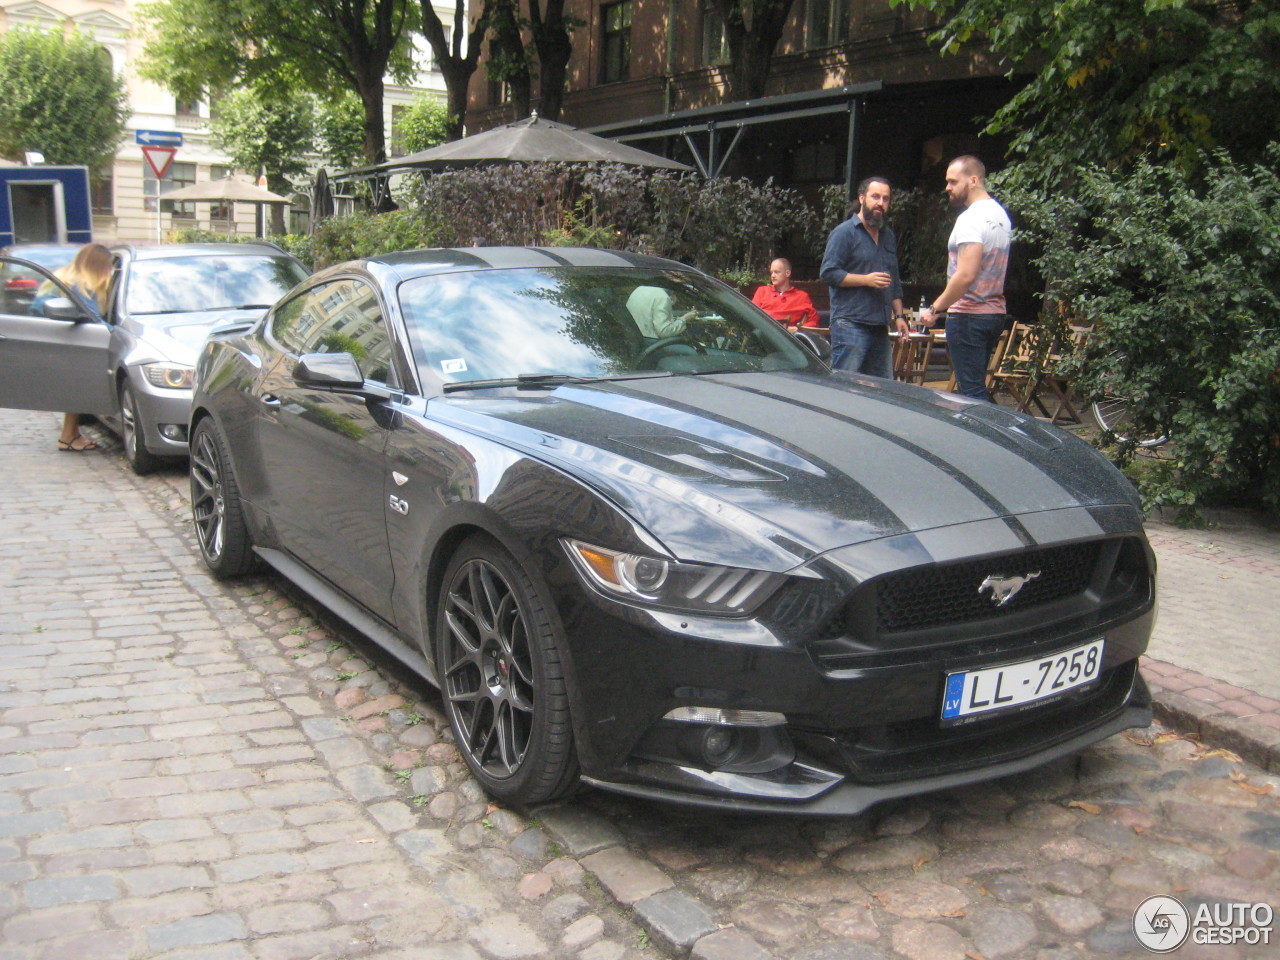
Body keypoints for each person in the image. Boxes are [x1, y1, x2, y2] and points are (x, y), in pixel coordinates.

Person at [918, 155, 1012, 402]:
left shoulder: (970, 218)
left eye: (952, 181)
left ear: (972, 180)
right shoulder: (1001, 215)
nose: (947, 187)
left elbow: (966, 274)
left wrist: (935, 308)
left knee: (971, 394)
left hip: (969, 316)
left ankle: (997, 437)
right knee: (975, 387)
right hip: (994, 313)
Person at [820, 177, 909, 378]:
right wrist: (865, 280)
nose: (880, 203)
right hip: (850, 323)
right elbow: (828, 273)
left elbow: (893, 278)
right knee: (845, 385)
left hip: (879, 326)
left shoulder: (888, 235)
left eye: (886, 199)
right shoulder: (844, 233)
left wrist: (900, 316)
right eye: (875, 196)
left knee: (883, 389)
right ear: (862, 198)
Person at [31, 243, 113, 451]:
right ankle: (68, 436)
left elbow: (37, 306)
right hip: (71, 342)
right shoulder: (83, 284)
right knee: (78, 387)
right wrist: (118, 332)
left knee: (75, 387)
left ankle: (71, 435)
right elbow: (94, 319)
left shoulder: (61, 277)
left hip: (53, 340)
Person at [751, 258, 820, 330]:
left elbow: (814, 322)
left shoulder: (802, 296)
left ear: (787, 273)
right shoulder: (762, 291)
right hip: (763, 333)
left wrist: (797, 329)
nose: (773, 276)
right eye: (771, 272)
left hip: (787, 338)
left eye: (776, 272)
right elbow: (751, 314)